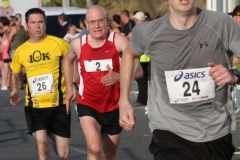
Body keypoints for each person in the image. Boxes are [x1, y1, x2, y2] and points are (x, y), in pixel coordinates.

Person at [118, 0, 240, 160]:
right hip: (168, 130)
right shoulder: (148, 31)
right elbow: (130, 54)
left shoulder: (222, 24)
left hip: (214, 131)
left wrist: (234, 76)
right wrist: (124, 101)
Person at [63, 5, 135, 160]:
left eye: (100, 21)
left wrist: (119, 76)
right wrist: (70, 87)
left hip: (114, 105)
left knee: (109, 155)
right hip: (88, 103)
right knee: (94, 148)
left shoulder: (119, 41)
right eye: (92, 22)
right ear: (86, 24)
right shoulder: (78, 44)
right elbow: (67, 61)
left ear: (106, 21)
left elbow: (139, 70)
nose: (96, 26)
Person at [9, 8, 73, 160]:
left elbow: (72, 62)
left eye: (40, 22)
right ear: (27, 25)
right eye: (33, 23)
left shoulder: (59, 44)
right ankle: (44, 132)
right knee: (42, 148)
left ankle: (50, 130)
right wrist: (15, 91)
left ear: (45, 24)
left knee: (63, 154)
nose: (37, 26)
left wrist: (73, 85)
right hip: (35, 107)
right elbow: (15, 73)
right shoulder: (21, 51)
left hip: (59, 105)